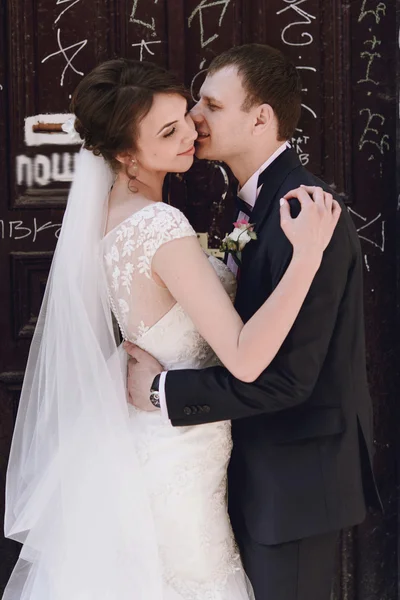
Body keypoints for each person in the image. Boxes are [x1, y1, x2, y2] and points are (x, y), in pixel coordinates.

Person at [3, 58, 339, 600]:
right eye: (168, 131)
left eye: (185, 115)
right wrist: (306, 257)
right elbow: (245, 358)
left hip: (156, 436)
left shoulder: (110, 214)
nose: (192, 131)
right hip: (179, 454)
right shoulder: (160, 223)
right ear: (124, 154)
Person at [126, 45, 381, 600]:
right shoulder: (249, 205)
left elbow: (289, 378)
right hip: (252, 471)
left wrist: (159, 391)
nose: (195, 118)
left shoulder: (306, 214)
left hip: (295, 480)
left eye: (212, 106)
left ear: (261, 117)